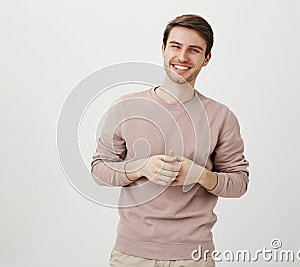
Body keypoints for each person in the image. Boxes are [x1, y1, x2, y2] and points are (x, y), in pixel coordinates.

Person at [91, 14, 249, 267]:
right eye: (175, 46)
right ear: (163, 49)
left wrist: (200, 175)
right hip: (131, 254)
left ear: (206, 58)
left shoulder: (221, 117)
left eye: (194, 50)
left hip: (193, 256)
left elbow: (239, 182)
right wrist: (141, 167)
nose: (183, 57)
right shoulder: (126, 107)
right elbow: (99, 170)